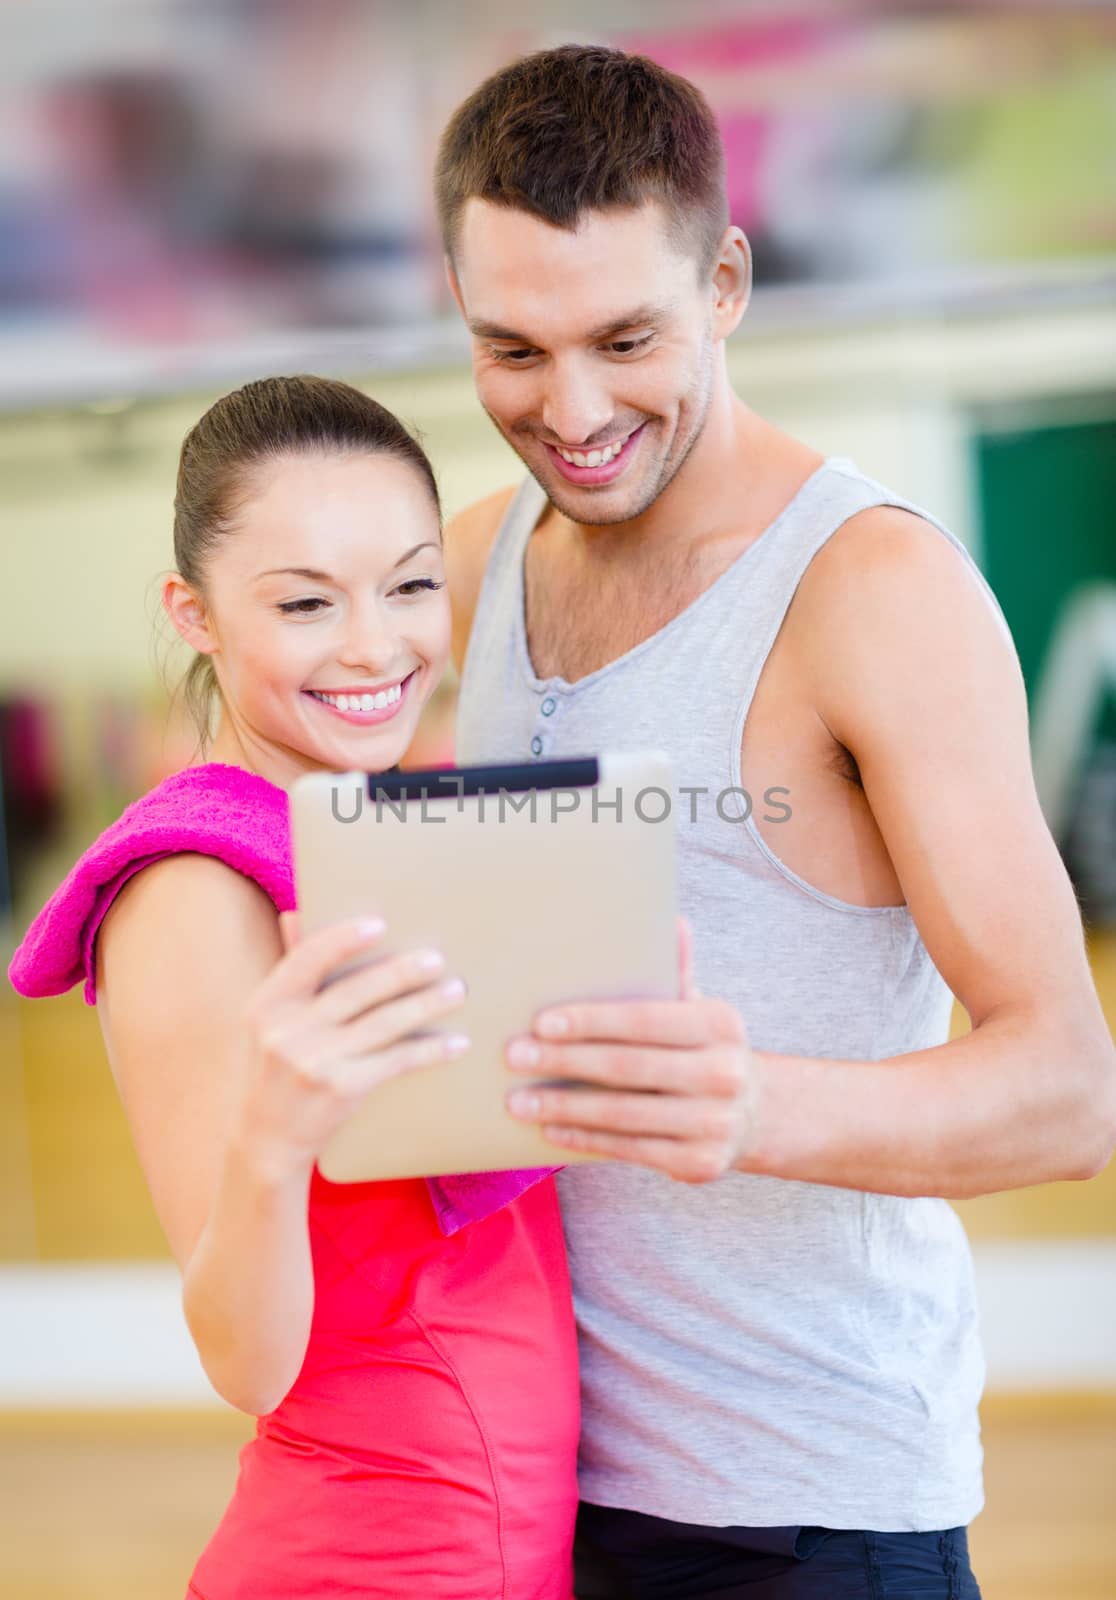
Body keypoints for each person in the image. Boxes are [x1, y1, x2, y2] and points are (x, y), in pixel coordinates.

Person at [434, 43, 1116, 1599]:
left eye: (625, 336)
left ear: (726, 280)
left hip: (808, 1508)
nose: (576, 409)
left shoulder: (875, 591)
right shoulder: (471, 564)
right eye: (513, 352)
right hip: (527, 1479)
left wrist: (749, 1108)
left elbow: (1072, 1092)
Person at [8, 375, 580, 1599]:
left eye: (413, 584)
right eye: (308, 602)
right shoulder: (193, 885)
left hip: (505, 1531)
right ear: (195, 614)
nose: (376, 645)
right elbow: (243, 1360)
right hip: (376, 1559)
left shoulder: (369, 836)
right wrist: (274, 1130)